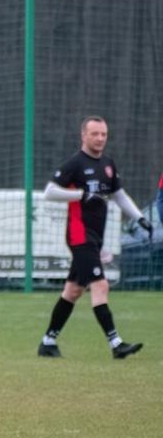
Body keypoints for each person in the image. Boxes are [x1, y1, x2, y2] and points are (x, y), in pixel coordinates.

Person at [37, 116, 150, 360]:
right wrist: (80, 194)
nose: (99, 139)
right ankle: (116, 344)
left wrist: (140, 218)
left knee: (73, 291)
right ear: (83, 135)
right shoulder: (74, 164)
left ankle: (48, 342)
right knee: (101, 285)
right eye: (95, 134)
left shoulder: (108, 164)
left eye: (103, 135)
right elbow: (49, 192)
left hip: (95, 236)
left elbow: (119, 196)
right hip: (79, 235)